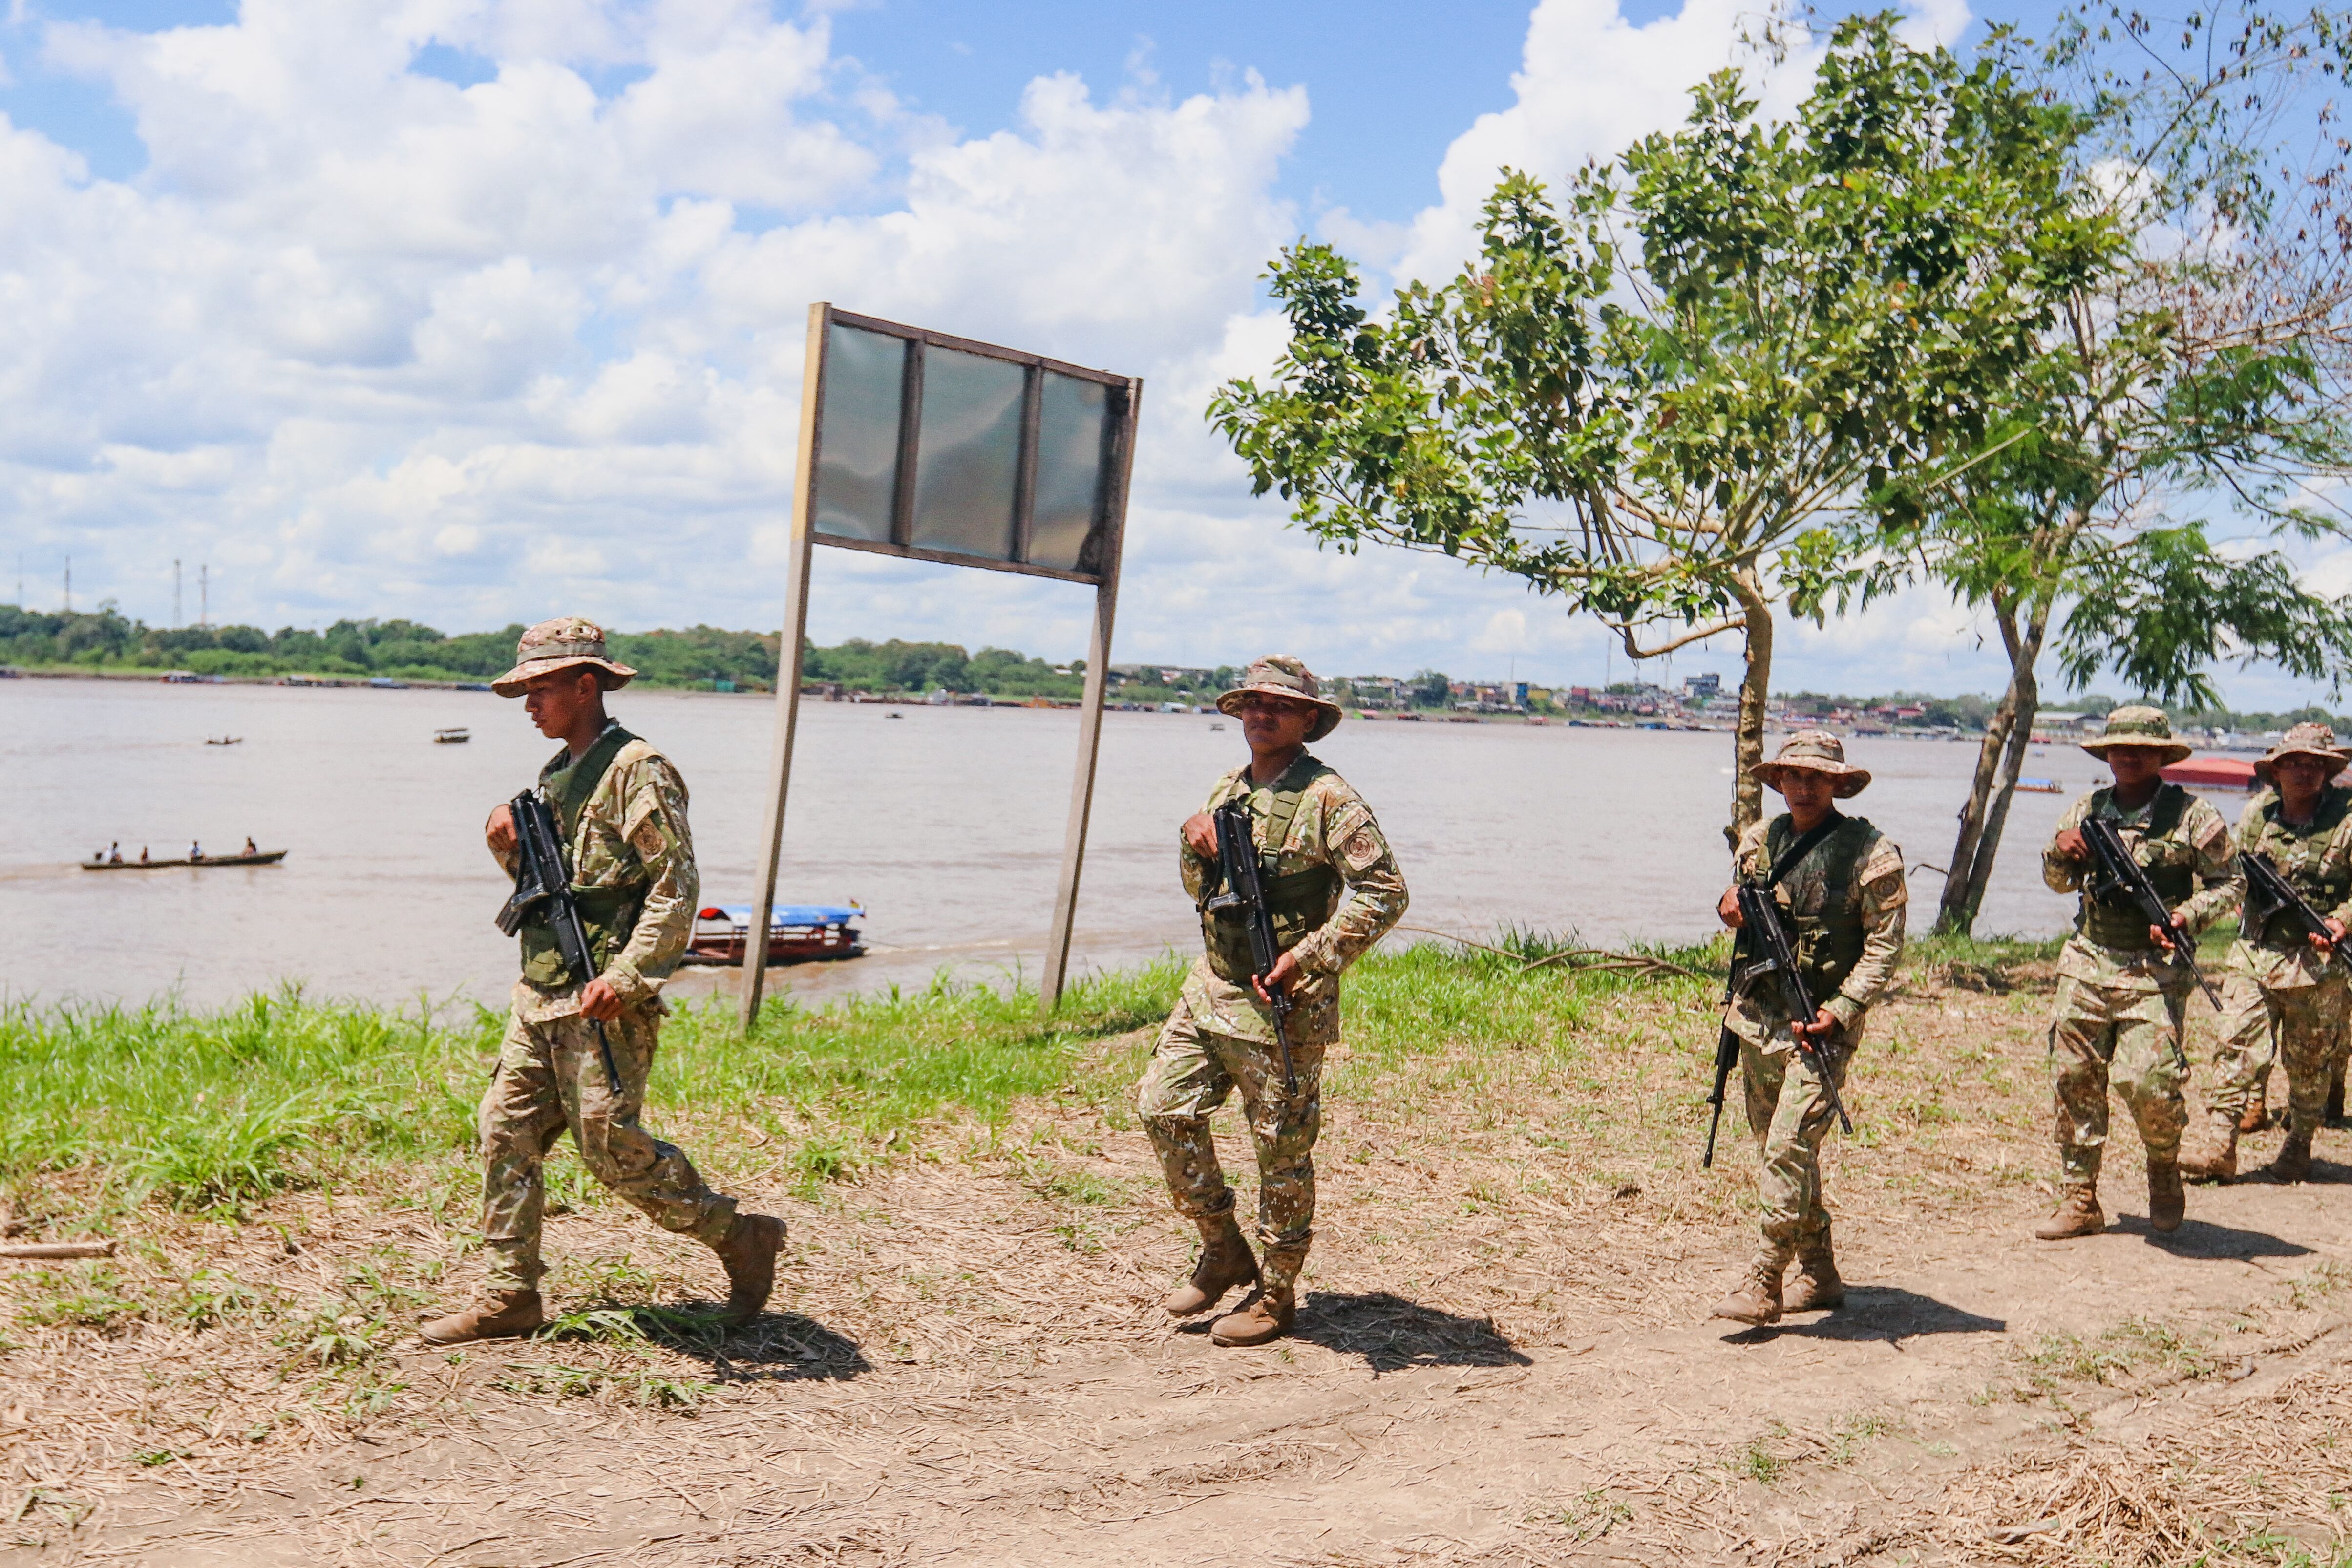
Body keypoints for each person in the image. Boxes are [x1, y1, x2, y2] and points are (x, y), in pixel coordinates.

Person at [421, 618, 784, 1345]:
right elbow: (552, 892)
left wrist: (629, 977)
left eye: (540, 689)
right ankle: (509, 1295)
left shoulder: (636, 770)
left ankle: (740, 1235)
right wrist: (506, 843)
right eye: (522, 690)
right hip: (542, 992)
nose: (528, 703)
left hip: (601, 995)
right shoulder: (556, 776)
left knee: (611, 1151)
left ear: (585, 686)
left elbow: (673, 888)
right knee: (505, 1128)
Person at [1137, 656, 1407, 1347]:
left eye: (1280, 707)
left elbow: (1384, 892)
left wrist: (1307, 958)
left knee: (1280, 1155)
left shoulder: (1327, 799)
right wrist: (1193, 837)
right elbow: (1202, 890)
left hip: (1281, 1005)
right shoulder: (1228, 787)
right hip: (1211, 988)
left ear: (1308, 721)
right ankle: (1223, 1248)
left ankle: (1275, 1295)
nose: (1262, 715)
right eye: (1252, 703)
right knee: (1163, 1109)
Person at [1710, 732, 1907, 1327]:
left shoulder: (1872, 854)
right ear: (1779, 782)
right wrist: (1729, 905)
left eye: (1817, 778)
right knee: (1785, 1150)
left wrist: (1842, 1009)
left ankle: (1766, 1280)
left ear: (1838, 784)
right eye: (1793, 777)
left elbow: (1884, 948)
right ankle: (1819, 1273)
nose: (1803, 787)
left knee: (1789, 1147)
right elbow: (1738, 904)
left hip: (1822, 1024)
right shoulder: (1759, 840)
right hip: (1761, 1017)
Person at [2036, 706, 2235, 1240]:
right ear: (2107, 754)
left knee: (2151, 1082)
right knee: (2075, 1080)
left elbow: (2231, 884)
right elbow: (2057, 881)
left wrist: (2186, 915)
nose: (2129, 757)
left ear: (2162, 756)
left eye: (2142, 750)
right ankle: (2080, 1197)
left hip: (2156, 971)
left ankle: (2164, 1169)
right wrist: (2060, 852)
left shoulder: (2194, 815)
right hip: (2089, 960)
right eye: (2120, 748)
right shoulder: (2085, 809)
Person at [2180, 723, 2352, 1183]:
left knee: (2309, 1062)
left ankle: (2298, 1145)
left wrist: (2341, 921)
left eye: (2314, 763)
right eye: (2293, 762)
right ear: (2275, 770)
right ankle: (2220, 1145)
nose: (2303, 771)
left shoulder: (2347, 820)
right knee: (2234, 1044)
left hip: (2318, 964)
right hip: (2255, 951)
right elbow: (2234, 876)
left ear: (2327, 771)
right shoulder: (2258, 814)